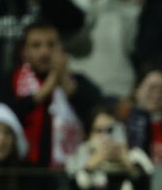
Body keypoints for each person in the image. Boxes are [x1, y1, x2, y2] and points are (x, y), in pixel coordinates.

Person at [6, 21, 101, 171]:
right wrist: (50, 84)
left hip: (71, 169)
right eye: (36, 46)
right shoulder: (11, 81)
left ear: (61, 48)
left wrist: (63, 80)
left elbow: (95, 114)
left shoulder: (79, 82)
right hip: (24, 170)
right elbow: (9, 114)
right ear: (24, 52)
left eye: (51, 45)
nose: (44, 52)